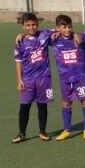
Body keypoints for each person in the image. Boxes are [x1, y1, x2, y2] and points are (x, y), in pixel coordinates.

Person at [11, 13, 53, 143]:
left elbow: (62, 29)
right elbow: (18, 62)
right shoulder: (20, 41)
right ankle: (21, 133)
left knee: (42, 106)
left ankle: (42, 132)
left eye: (33, 24)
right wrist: (19, 80)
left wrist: (75, 33)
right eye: (28, 25)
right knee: (25, 107)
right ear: (23, 27)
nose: (31, 27)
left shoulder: (45, 35)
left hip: (44, 78)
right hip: (28, 80)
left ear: (37, 24)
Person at [51, 15, 85, 140]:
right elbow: (38, 34)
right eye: (64, 27)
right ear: (58, 28)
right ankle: (67, 130)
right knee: (66, 103)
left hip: (80, 78)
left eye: (70, 27)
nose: (67, 30)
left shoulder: (79, 37)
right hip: (65, 79)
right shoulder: (54, 39)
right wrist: (21, 35)